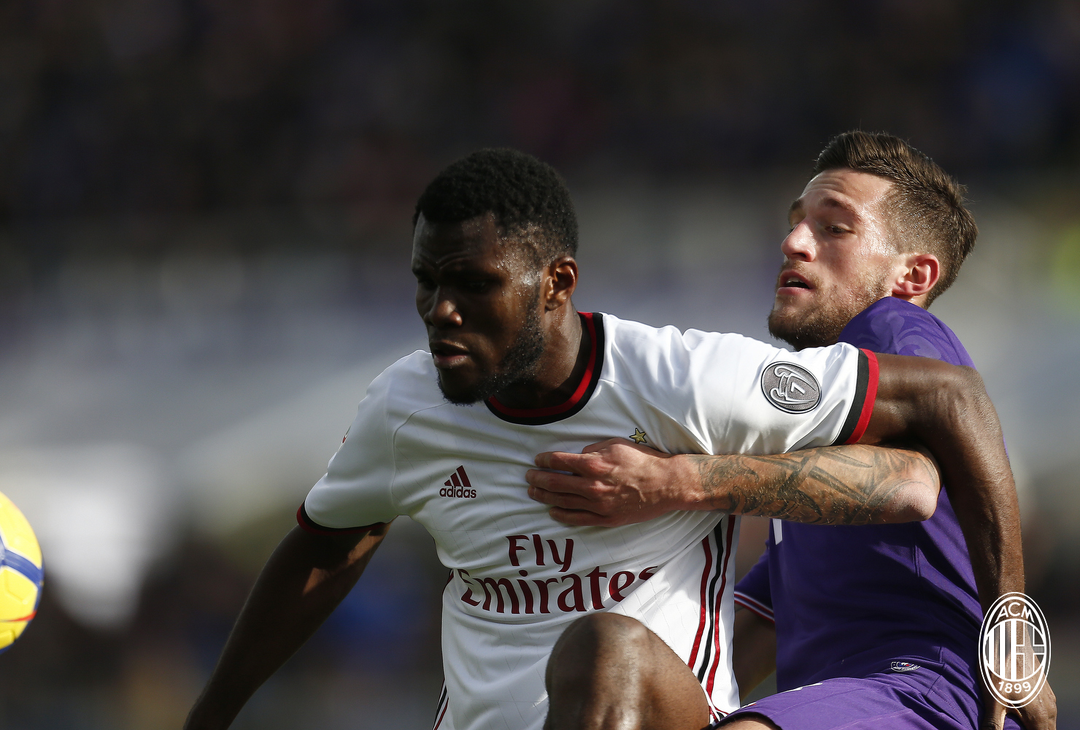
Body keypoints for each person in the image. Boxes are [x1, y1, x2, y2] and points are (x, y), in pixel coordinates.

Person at [184, 147, 1023, 730]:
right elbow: (323, 548)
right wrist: (210, 716)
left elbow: (939, 422)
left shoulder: (684, 381)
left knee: (607, 649)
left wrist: (687, 481)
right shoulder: (403, 408)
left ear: (557, 284)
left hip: (707, 706)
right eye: (426, 281)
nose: (441, 308)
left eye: (471, 284)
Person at [525, 132, 1056, 730]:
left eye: (834, 228)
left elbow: (956, 416)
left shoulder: (893, 331)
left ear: (913, 275)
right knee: (610, 654)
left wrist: (1012, 631)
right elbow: (751, 631)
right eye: (796, 222)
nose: (793, 242)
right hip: (842, 701)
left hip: (924, 690)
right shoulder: (823, 448)